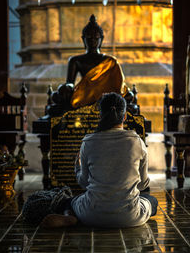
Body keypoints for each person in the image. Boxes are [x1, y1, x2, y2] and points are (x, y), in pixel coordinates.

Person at [37, 92, 157, 228]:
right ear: (124, 117)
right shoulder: (137, 142)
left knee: (68, 202)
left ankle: (69, 216)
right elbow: (143, 185)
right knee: (151, 200)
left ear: (100, 115)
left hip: (91, 215)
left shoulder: (88, 142)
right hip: (130, 217)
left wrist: (77, 167)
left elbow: (83, 183)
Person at [49, 15, 133, 115]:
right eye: (89, 38)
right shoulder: (75, 60)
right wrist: (66, 87)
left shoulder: (110, 61)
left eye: (96, 38)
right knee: (56, 96)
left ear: (101, 39)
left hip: (105, 95)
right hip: (84, 94)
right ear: (83, 39)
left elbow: (119, 85)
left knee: (130, 96)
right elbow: (70, 82)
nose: (92, 40)